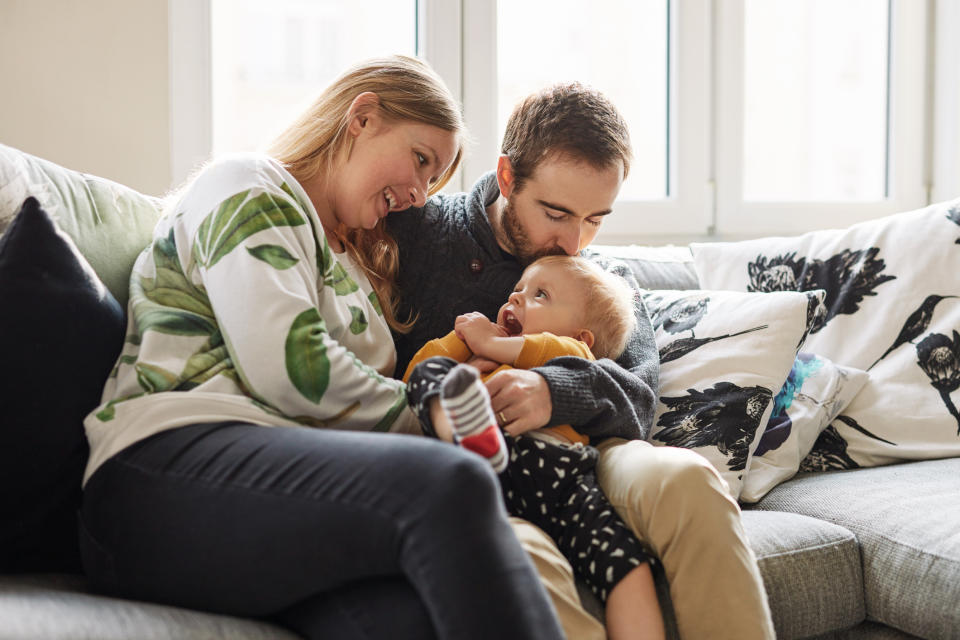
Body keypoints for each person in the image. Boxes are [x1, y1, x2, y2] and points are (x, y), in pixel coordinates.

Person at [78, 56, 566, 640]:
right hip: (162, 470)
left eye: (432, 181)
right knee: (450, 483)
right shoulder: (248, 185)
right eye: (419, 160)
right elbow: (292, 368)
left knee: (407, 622)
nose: (418, 194)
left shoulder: (356, 268)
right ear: (362, 117)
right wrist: (432, 412)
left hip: (274, 485)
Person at [387, 82, 777, 639]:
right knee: (518, 555)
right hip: (478, 465)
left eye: (595, 218)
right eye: (556, 212)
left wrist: (553, 389)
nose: (574, 242)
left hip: (588, 453)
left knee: (690, 480)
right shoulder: (423, 234)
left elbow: (638, 398)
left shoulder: (602, 279)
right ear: (506, 178)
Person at [404, 254, 666, 640]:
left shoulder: (574, 355)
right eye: (518, 290)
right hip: (483, 469)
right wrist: (457, 343)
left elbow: (547, 350)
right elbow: (413, 377)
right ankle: (464, 432)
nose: (518, 298)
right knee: (428, 376)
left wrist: (493, 342)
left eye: (540, 295)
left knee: (626, 567)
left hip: (558, 473)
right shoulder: (479, 359)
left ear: (582, 337)